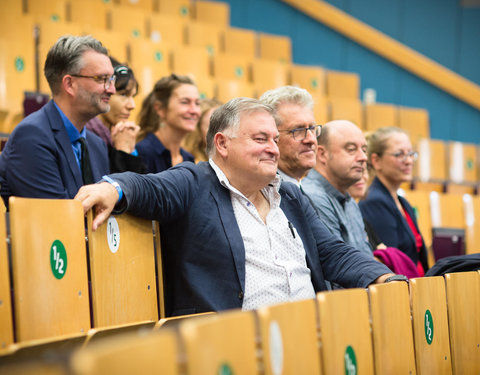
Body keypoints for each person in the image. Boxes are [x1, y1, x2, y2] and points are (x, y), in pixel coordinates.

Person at [75, 97, 395, 316]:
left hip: (309, 337)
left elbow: (332, 252)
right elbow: (149, 187)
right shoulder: (196, 181)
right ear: (222, 143)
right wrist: (113, 188)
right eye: (260, 139)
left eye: (273, 139)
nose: (273, 149)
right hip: (233, 349)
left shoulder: (291, 196)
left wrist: (384, 278)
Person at [0, 35, 112, 207]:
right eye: (101, 79)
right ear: (69, 84)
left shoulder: (97, 145)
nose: (111, 89)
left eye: (111, 79)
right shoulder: (31, 137)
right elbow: (58, 221)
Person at [359, 127, 429, 275]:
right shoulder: (375, 202)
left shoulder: (402, 202)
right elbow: (393, 262)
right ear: (376, 161)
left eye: (410, 154)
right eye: (400, 154)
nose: (409, 161)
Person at [302, 120, 372, 256]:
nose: (363, 157)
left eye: (364, 150)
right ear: (322, 154)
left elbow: (365, 255)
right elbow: (340, 263)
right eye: (351, 149)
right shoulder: (312, 196)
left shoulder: (350, 201)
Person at [86, 57, 146, 173]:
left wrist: (129, 151)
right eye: (123, 95)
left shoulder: (119, 135)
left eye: (133, 96)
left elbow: (141, 188)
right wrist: (122, 152)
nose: (132, 105)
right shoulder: (85, 138)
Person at [136, 74, 201, 173]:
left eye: (197, 103)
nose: (194, 110)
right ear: (160, 108)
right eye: (184, 102)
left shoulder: (188, 159)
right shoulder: (142, 153)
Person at [259, 86, 319, 186]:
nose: (311, 139)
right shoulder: (264, 195)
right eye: (298, 130)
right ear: (271, 137)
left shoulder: (302, 192)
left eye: (312, 128)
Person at [183, 98, 222, 162]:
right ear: (198, 132)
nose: (222, 132)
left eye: (225, 125)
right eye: (213, 127)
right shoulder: (189, 163)